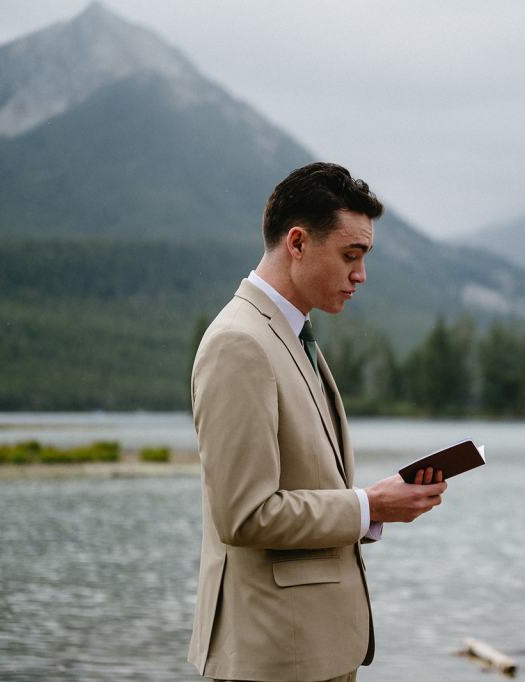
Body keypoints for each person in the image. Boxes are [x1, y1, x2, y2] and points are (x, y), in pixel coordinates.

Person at [188, 162, 447, 682]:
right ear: (298, 243)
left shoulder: (289, 332)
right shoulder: (240, 343)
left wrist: (375, 503)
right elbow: (244, 515)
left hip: (312, 651)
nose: (361, 275)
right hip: (274, 658)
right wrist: (369, 505)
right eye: (350, 255)